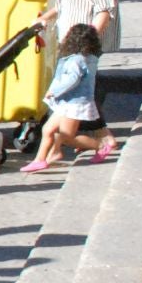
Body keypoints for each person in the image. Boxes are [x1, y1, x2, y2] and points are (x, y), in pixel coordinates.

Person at [22, 23, 116, 172]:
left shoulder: (76, 60)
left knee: (67, 137)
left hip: (74, 103)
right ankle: (39, 160)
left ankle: (100, 146)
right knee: (48, 129)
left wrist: (54, 92)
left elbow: (72, 80)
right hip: (70, 102)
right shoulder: (89, 58)